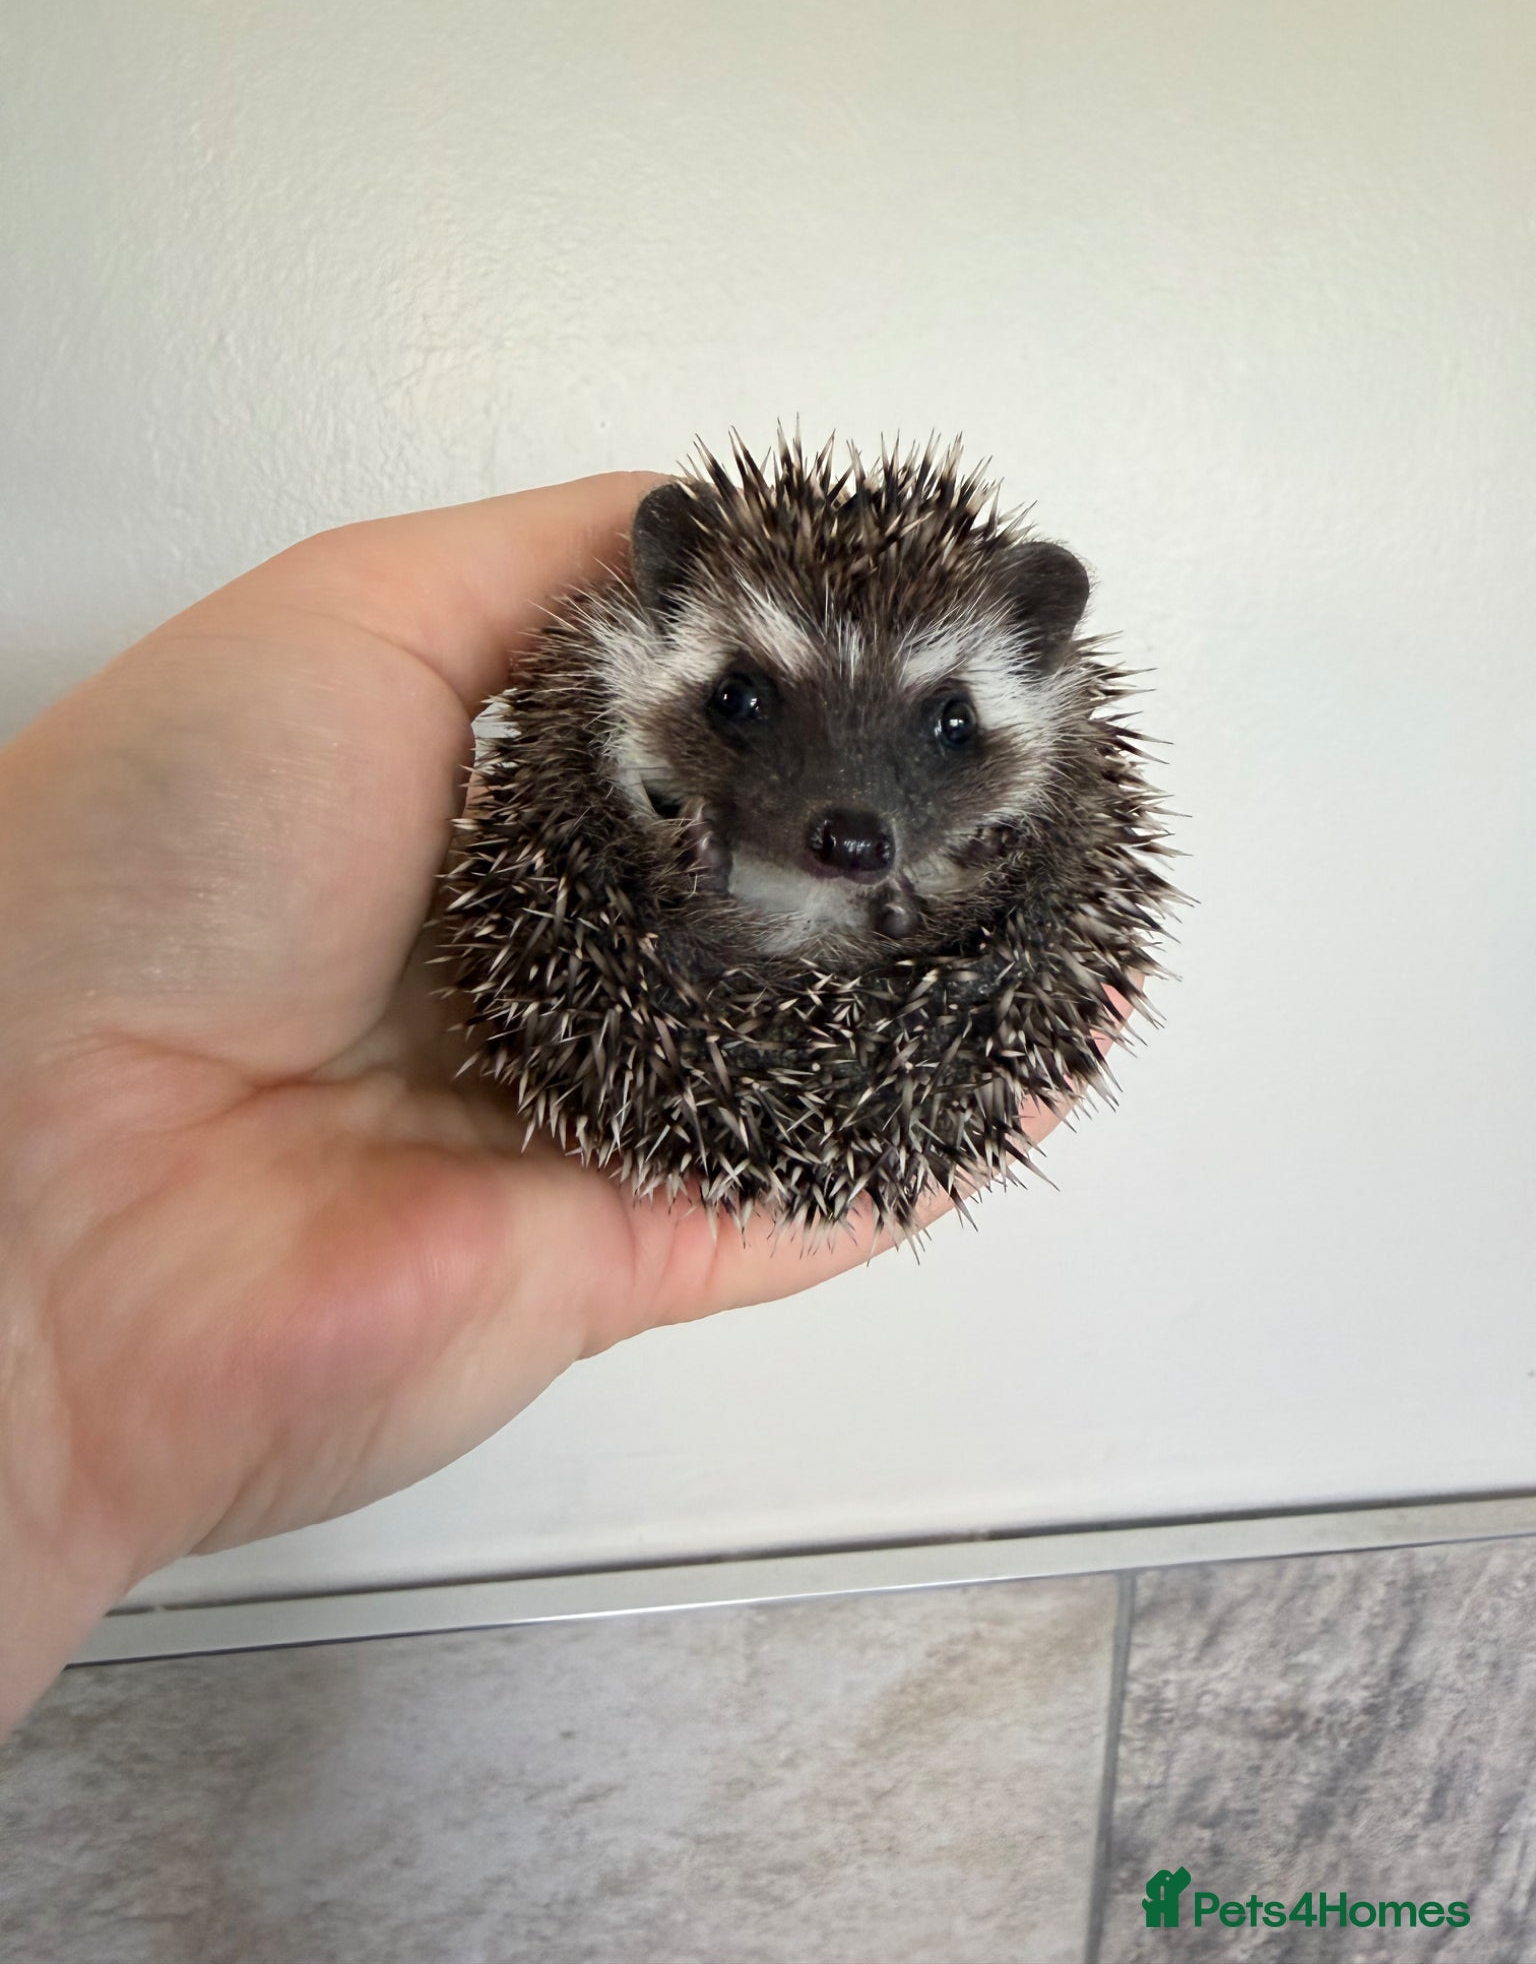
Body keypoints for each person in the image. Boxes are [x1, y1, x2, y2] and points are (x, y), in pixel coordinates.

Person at [0, 473, 1076, 1734]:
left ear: (1039, 685)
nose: (849, 807)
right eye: (745, 702)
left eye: (946, 726)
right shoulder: (600, 735)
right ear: (656, 613)